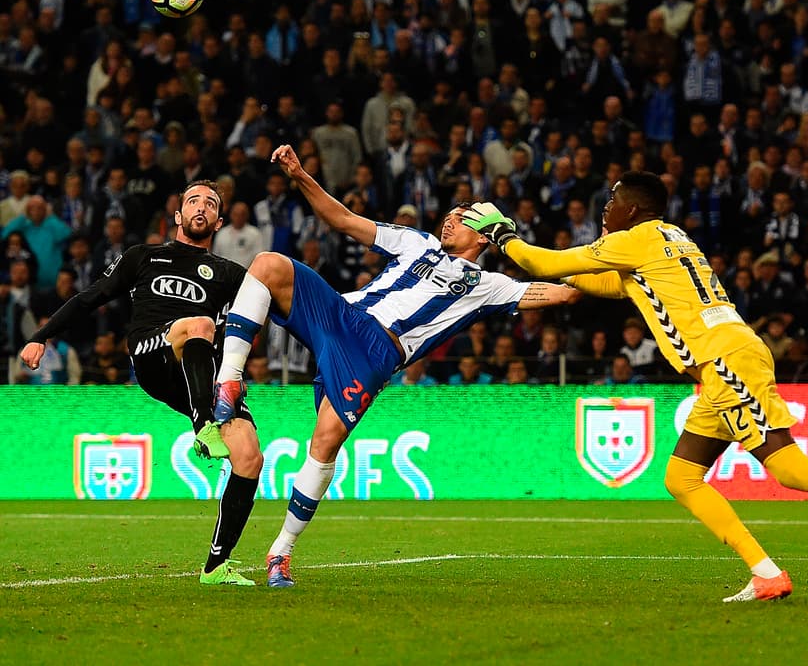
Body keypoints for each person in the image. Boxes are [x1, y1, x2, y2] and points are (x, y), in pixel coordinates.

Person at [463, 171, 808, 602]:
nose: (606, 209)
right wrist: (570, 284)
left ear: (633, 209)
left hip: (725, 360)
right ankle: (766, 574)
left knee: (788, 467)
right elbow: (612, 285)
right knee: (681, 478)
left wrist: (501, 232)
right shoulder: (670, 238)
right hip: (725, 361)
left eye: (612, 202)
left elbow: (542, 262)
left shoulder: (638, 238)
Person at [213, 145, 581, 588]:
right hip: (342, 315)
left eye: (462, 218)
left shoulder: (488, 286)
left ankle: (281, 552)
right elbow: (344, 220)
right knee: (268, 263)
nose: (449, 220)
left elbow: (561, 293)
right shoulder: (417, 242)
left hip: (375, 353)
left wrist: (604, 270)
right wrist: (299, 174)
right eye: (450, 214)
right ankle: (228, 382)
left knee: (325, 443)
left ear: (484, 236)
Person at [19, 180, 261, 586]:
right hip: (153, 354)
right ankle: (204, 425)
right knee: (199, 324)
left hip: (201, 374)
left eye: (210, 204)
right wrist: (41, 335)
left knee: (250, 455)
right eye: (193, 201)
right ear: (178, 215)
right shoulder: (144, 256)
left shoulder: (229, 274)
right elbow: (90, 297)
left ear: (219, 221)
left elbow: (266, 317)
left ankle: (216, 566)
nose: (201, 207)